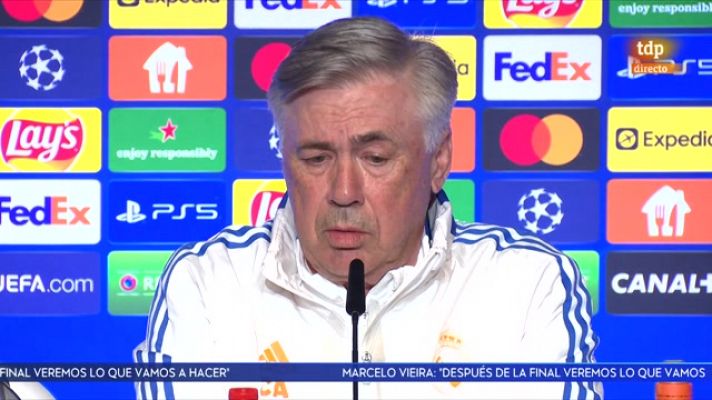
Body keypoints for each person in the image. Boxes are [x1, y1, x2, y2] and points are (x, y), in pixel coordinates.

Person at [134, 16, 601, 400]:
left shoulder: (526, 281)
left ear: (438, 160)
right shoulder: (210, 281)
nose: (344, 191)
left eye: (375, 158)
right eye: (315, 158)